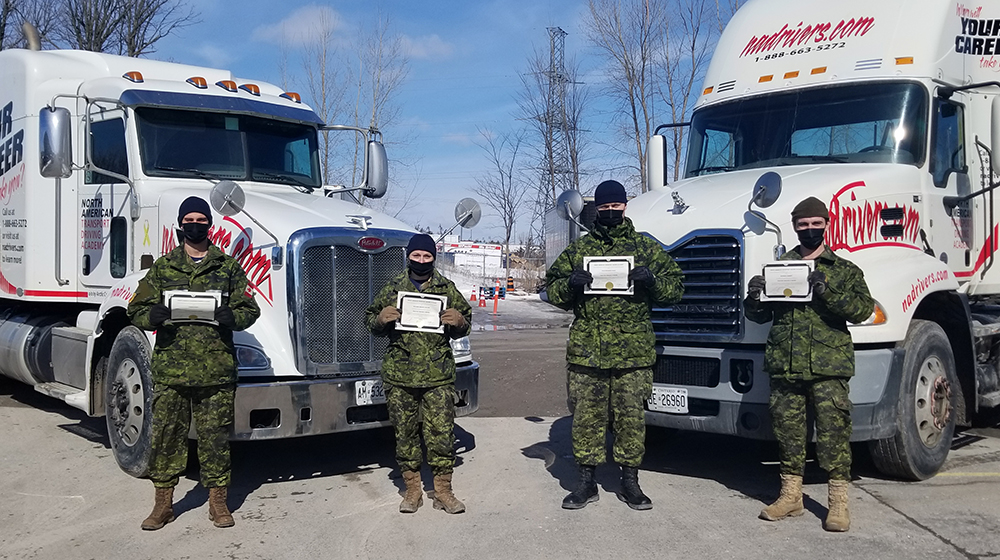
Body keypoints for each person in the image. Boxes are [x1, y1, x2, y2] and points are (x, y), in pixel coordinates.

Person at [545, 180, 684, 511]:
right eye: (605, 207)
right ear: (598, 210)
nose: (610, 211)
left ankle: (630, 481)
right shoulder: (580, 251)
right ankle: (586, 482)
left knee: (630, 418)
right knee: (586, 418)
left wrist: (652, 280)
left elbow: (676, 288)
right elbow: (551, 290)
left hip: (632, 353)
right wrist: (569, 284)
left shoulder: (646, 249)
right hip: (588, 353)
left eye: (616, 206)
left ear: (625, 207)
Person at [127, 196, 260, 530]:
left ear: (209, 225)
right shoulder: (163, 267)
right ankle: (163, 506)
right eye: (190, 219)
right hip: (172, 371)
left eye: (201, 219)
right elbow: (135, 309)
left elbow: (250, 309)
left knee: (215, 440)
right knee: (166, 438)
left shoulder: (227, 267)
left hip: (216, 371)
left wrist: (234, 316)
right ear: (180, 225)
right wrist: (151, 315)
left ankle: (218, 503)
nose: (195, 224)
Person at [744, 196, 874, 532]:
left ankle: (838, 503)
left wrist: (827, 291)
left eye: (816, 225)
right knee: (788, 434)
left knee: (833, 434)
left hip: (828, 367)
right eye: (804, 225)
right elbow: (759, 315)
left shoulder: (844, 270)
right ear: (796, 228)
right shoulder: (781, 267)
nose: (810, 230)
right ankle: (791, 497)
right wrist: (754, 296)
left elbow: (862, 311)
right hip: (786, 365)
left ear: (826, 225)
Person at [366, 233, 472, 514]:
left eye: (427, 256)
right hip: (401, 374)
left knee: (441, 435)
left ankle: (443, 491)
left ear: (433, 258)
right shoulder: (393, 287)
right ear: (409, 257)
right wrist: (379, 319)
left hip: (437, 374)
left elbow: (467, 320)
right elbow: (370, 322)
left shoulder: (445, 288)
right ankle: (412, 490)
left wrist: (459, 322)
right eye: (417, 256)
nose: (421, 261)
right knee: (405, 434)